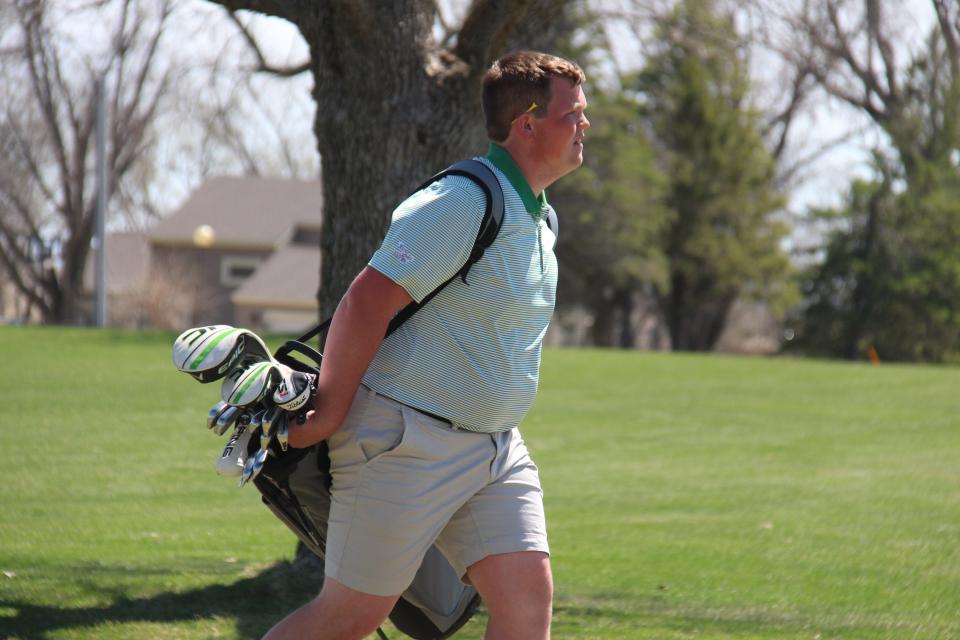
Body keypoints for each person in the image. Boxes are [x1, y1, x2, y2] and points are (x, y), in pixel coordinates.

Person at [265, 50, 589, 640]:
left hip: (494, 449)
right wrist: (330, 410)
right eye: (573, 114)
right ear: (528, 123)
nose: (584, 125)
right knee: (350, 617)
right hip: (402, 440)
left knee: (526, 600)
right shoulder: (466, 201)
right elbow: (366, 301)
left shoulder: (542, 218)